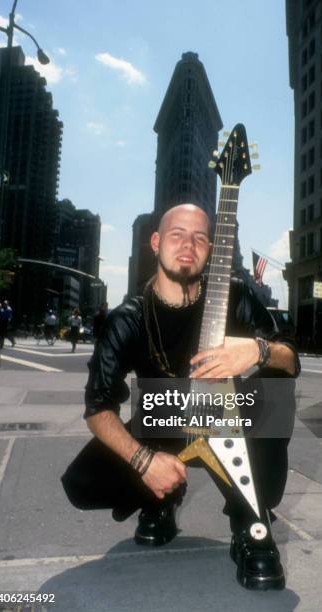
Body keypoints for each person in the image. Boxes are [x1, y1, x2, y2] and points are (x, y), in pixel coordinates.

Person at [61, 204, 300, 591]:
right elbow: (98, 406)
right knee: (83, 482)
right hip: (163, 424)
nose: (188, 245)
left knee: (275, 380)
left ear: (211, 249)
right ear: (156, 243)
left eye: (199, 237)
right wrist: (143, 461)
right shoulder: (128, 319)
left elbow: (291, 358)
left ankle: (250, 518)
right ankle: (162, 497)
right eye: (177, 235)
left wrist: (259, 351)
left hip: (229, 422)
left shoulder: (234, 296)